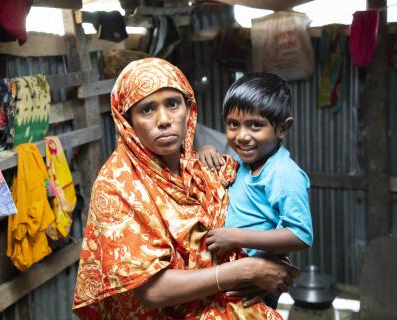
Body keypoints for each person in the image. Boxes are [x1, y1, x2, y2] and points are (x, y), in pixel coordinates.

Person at [72, 58, 299, 319]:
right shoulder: (117, 185)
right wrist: (246, 271)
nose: (164, 120)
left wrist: (272, 264)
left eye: (172, 104)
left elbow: (266, 207)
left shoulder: (202, 167)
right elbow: (151, 292)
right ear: (127, 122)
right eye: (147, 109)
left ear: (188, 109)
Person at [198, 72, 313, 309]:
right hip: (235, 272)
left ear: (283, 128)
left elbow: (301, 236)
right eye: (233, 124)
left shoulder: (283, 173)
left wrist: (234, 236)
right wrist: (206, 150)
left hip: (257, 280)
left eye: (255, 125)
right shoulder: (242, 163)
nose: (242, 136)